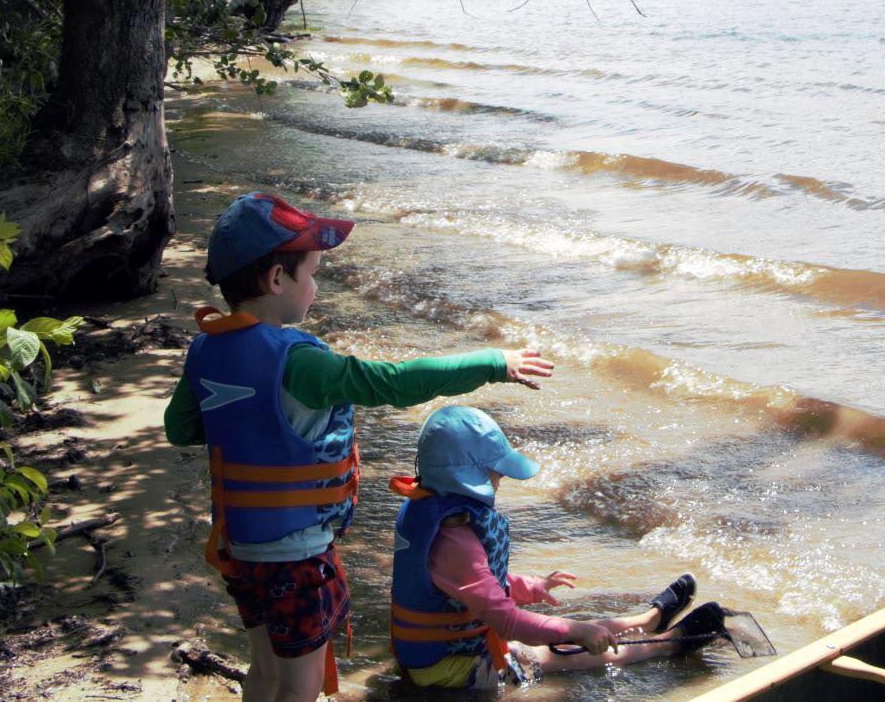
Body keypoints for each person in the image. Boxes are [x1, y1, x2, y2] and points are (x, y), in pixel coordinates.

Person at [164, 192, 555, 702]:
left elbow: (182, 428)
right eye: (311, 273)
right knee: (299, 688)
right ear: (276, 280)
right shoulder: (300, 364)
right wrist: (492, 362)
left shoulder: (205, 348)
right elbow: (392, 382)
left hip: (240, 551)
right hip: (298, 561)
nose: (316, 285)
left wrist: (253, 424)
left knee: (263, 670)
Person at [389, 405, 727, 688]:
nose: (501, 477)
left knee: (575, 632)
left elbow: (469, 588)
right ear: (467, 477)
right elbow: (506, 621)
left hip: (445, 649)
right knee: (565, 651)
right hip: (448, 668)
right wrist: (577, 630)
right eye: (495, 471)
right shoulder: (455, 542)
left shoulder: (434, 514)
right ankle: (667, 644)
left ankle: (647, 618)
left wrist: (533, 585)